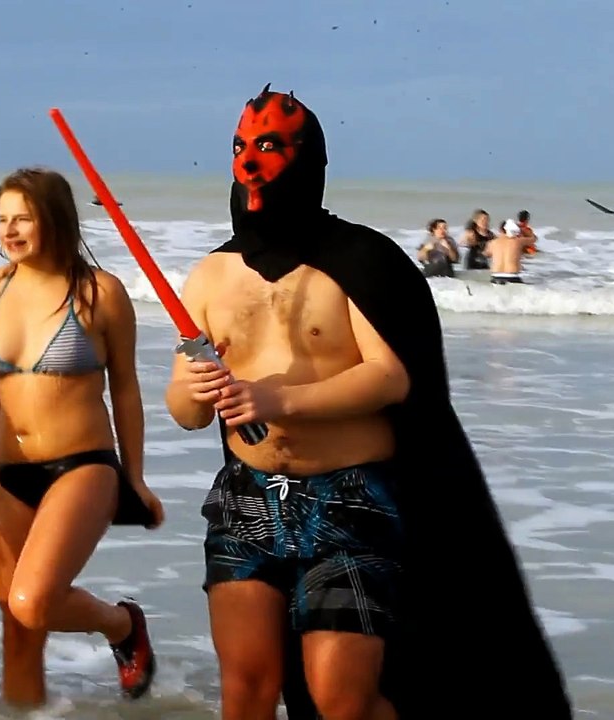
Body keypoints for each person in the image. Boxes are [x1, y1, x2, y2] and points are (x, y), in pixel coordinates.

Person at [165, 84, 572, 719]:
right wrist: (190, 392)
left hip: (347, 499)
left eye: (269, 145)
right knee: (246, 688)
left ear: (308, 158)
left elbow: (392, 379)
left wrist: (279, 397)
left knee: (342, 700)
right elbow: (188, 411)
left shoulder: (359, 261)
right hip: (245, 497)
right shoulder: (210, 276)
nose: (249, 161)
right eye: (241, 146)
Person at [0, 167, 162, 707]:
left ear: (54, 218)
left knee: (32, 602)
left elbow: (125, 387)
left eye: (22, 218)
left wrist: (136, 476)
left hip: (83, 467)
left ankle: (121, 625)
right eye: (2, 218)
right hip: (14, 473)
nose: (9, 230)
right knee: (17, 628)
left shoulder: (100, 293)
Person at [486, 219, 532, 284]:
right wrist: (523, 230)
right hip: (512, 276)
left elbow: (486, 254)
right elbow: (534, 239)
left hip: (495, 276)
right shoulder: (518, 241)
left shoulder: (492, 243)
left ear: (500, 230)